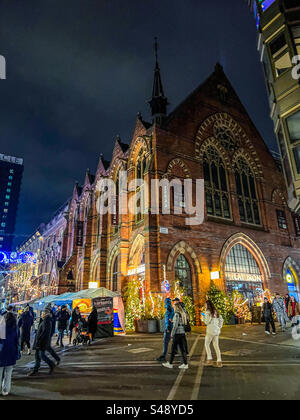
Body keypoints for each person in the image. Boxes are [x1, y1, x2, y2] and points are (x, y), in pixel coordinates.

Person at [28, 308, 56, 376]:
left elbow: (44, 333)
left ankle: (51, 364)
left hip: (42, 342)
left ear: (44, 314)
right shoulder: (45, 321)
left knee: (41, 355)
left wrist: (39, 341)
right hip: (40, 341)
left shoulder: (46, 321)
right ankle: (36, 369)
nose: (41, 315)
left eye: (42, 314)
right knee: (37, 356)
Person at [0, 306, 20, 396]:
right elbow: (17, 341)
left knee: (0, 372)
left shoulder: (2, 327)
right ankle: (6, 390)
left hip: (1, 352)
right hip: (11, 351)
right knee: (8, 373)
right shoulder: (15, 328)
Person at [162, 302, 188, 370]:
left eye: (174, 307)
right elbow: (182, 323)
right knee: (182, 350)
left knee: (173, 349)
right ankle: (185, 364)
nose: (173, 308)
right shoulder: (183, 314)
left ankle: (170, 364)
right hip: (182, 333)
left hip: (177, 334)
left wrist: (172, 334)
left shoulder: (176, 314)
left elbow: (175, 326)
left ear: (177, 307)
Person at [204, 300, 223, 368]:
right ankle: (219, 361)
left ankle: (209, 358)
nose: (205, 306)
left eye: (205, 304)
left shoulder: (207, 312)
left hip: (210, 330)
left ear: (207, 305)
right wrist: (219, 327)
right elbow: (221, 320)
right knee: (216, 346)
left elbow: (206, 322)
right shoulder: (216, 311)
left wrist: (203, 318)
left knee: (206, 344)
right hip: (216, 330)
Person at [157, 298, 175, 362]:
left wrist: (167, 328)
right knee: (168, 341)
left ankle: (163, 356)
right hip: (171, 327)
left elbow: (168, 320)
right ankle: (165, 355)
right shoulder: (171, 309)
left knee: (165, 342)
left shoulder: (168, 309)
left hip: (168, 327)